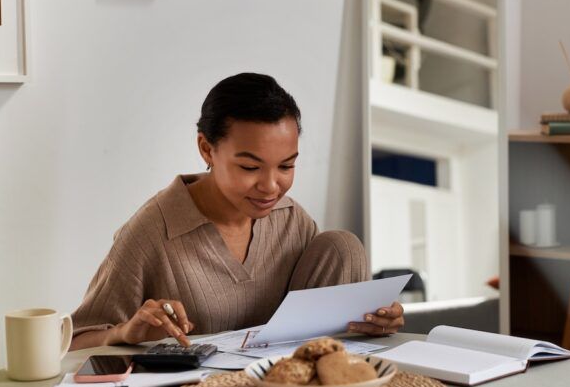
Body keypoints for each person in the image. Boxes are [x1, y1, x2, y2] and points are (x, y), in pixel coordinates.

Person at [69, 73, 404, 350]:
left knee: (342, 246)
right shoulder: (152, 232)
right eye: (249, 167)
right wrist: (124, 333)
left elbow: (330, 320)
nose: (271, 186)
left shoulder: (291, 220)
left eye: (286, 166)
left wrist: (376, 321)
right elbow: (76, 341)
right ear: (206, 149)